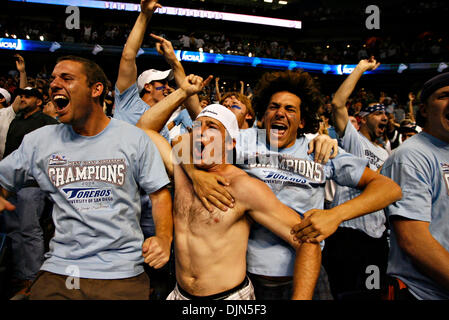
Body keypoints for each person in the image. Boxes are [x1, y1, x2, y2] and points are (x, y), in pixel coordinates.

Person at [184, 69, 402, 300]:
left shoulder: (319, 149)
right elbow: (187, 141)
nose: (280, 113)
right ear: (263, 115)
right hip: (248, 275)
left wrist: (336, 215)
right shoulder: (245, 141)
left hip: (307, 271)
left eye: (290, 109)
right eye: (273, 107)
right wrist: (196, 175)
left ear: (302, 121)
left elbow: (389, 188)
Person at [0, 55, 173, 300]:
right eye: (53, 79)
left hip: (121, 272)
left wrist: (164, 238)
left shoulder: (133, 139)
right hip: (60, 271)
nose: (54, 84)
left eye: (66, 78)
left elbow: (159, 194)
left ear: (96, 89)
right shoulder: (40, 141)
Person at [141, 103, 321, 300]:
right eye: (197, 126)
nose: (201, 133)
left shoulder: (243, 187)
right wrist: (182, 92)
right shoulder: (182, 170)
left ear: (230, 143)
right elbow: (143, 129)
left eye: (212, 127)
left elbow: (308, 241)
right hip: (179, 294)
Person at [323, 56, 391, 299]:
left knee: (373, 294)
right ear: (362, 119)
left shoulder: (385, 152)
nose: (384, 117)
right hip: (347, 232)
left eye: (385, 114)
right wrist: (361, 68)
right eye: (377, 114)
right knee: (345, 293)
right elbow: (338, 103)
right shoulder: (353, 139)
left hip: (376, 236)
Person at [381, 72, 449, 300]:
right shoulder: (411, 156)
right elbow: (414, 241)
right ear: (425, 109)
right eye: (444, 96)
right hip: (423, 293)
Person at [1, 85, 58, 297]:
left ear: (39, 101)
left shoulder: (46, 122)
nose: (23, 98)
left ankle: (34, 278)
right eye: (21, 95)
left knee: (29, 230)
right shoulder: (17, 120)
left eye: (29, 96)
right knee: (14, 231)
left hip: (32, 184)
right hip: (11, 183)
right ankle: (21, 274)